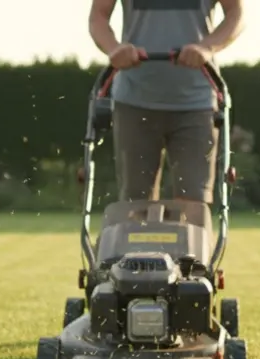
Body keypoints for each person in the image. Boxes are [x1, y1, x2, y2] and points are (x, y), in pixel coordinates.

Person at [88, 0, 244, 205]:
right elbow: (98, 16)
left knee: (192, 204)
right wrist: (114, 49)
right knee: (135, 204)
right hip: (134, 100)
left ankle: (190, 238)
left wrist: (206, 48)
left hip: (196, 103)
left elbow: (236, 13)